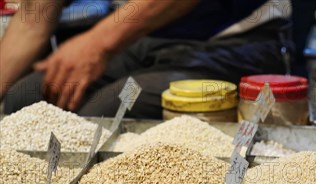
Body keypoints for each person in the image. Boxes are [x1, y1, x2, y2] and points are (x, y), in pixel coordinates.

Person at [0, 0, 292, 118]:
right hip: (136, 37)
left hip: (234, 37)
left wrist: (98, 44)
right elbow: (32, 18)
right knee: (27, 100)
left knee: (111, 107)